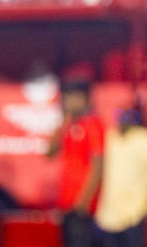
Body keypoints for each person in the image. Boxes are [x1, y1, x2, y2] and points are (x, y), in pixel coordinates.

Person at [95, 108, 147, 247]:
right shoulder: (111, 137)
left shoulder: (145, 138)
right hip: (109, 214)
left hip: (136, 212)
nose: (123, 121)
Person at [47, 78, 105, 247]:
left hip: (83, 207)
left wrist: (83, 202)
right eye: (65, 98)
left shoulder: (93, 125)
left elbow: (98, 165)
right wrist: (64, 122)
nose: (67, 101)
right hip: (66, 204)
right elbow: (49, 153)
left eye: (71, 97)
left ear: (83, 98)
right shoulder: (69, 125)